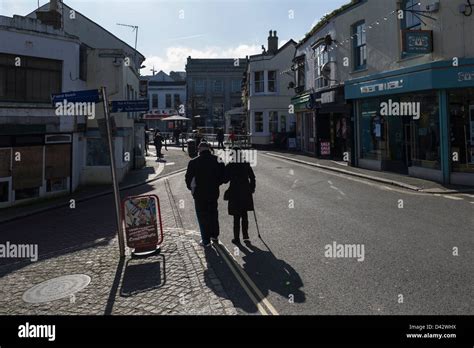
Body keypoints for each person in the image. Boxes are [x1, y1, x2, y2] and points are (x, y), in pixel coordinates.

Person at [185, 141, 225, 247]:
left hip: (199, 194)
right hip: (213, 192)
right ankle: (214, 235)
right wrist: (217, 183)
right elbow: (224, 177)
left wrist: (192, 189)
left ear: (199, 149)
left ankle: (206, 241)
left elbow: (188, 180)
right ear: (209, 148)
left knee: (202, 216)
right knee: (213, 213)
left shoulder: (193, 162)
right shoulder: (218, 160)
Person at [224, 147, 256, 244]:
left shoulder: (230, 165)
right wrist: (251, 188)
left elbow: (225, 179)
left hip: (234, 192)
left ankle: (236, 238)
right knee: (244, 214)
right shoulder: (246, 164)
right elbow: (252, 177)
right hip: (245, 192)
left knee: (236, 216)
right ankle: (245, 235)